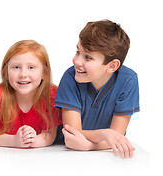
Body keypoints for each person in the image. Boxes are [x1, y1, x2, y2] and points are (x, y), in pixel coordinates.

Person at [54, 20, 139, 158]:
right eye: (77, 51)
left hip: (98, 156)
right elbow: (71, 134)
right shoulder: (70, 77)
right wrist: (106, 134)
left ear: (112, 66)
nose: (76, 61)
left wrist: (89, 146)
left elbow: (117, 138)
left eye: (87, 57)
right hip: (62, 152)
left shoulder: (128, 80)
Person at [0, 40, 62, 148]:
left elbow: (49, 135)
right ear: (6, 73)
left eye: (31, 67)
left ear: (44, 73)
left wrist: (35, 141)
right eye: (16, 67)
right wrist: (14, 141)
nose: (23, 74)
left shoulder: (51, 95)